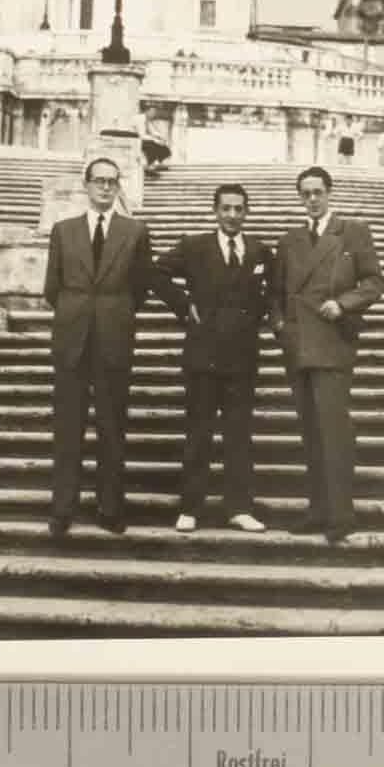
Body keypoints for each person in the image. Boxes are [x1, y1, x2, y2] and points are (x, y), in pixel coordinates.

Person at [150, 183, 273, 534]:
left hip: (242, 358)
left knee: (239, 435)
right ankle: (190, 507)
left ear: (246, 212)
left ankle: (239, 507)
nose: (232, 215)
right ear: (215, 211)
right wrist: (182, 304)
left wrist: (256, 316)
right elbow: (155, 272)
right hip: (203, 356)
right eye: (226, 208)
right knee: (199, 433)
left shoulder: (260, 251)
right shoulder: (194, 246)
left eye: (239, 208)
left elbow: (275, 290)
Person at [271, 165, 384, 544]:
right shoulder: (289, 240)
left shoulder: (352, 231)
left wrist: (345, 303)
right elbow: (276, 289)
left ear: (330, 192)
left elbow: (373, 283)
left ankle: (342, 515)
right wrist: (279, 326)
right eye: (305, 193)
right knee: (310, 432)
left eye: (318, 191)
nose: (312, 199)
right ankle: (318, 511)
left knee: (334, 431)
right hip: (299, 345)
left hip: (333, 343)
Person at [42, 156, 153, 536]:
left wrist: (111, 314)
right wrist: (79, 313)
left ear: (119, 186)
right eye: (99, 181)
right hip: (72, 340)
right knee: (67, 428)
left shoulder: (135, 231)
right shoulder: (63, 230)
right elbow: (51, 289)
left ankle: (110, 507)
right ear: (86, 185)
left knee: (111, 426)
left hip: (113, 339)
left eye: (112, 182)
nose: (106, 188)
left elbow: (139, 289)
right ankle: (63, 508)